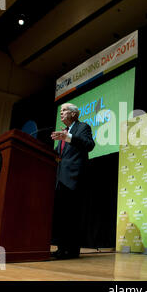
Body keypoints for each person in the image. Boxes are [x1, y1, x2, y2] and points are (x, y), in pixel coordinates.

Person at [50, 103, 95, 259]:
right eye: (60, 111)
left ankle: (72, 250)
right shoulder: (64, 132)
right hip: (60, 178)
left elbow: (89, 145)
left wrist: (68, 137)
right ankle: (62, 248)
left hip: (74, 177)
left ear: (74, 114)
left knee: (72, 216)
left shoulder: (83, 127)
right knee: (61, 216)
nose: (61, 113)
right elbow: (59, 155)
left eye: (64, 111)